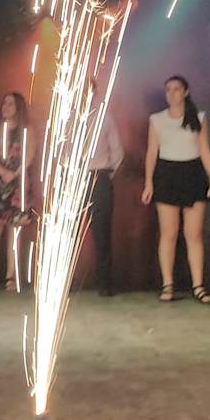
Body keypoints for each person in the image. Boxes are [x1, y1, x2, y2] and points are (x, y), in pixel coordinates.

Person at [142, 75, 210, 304]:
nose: (172, 93)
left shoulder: (199, 117)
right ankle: (168, 285)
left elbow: (204, 150)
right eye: (168, 89)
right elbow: (152, 152)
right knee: (168, 233)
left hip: (193, 175)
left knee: (194, 234)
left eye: (176, 89)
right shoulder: (157, 119)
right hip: (167, 175)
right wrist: (149, 182)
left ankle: (198, 286)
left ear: (186, 92)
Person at [0, 92, 37, 291]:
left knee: (14, 228)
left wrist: (14, 174)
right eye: (4, 103)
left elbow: (30, 154)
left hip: (18, 182)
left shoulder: (26, 129)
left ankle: (11, 276)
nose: (5, 106)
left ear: (18, 107)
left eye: (10, 103)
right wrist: (3, 172)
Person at [87, 99, 125, 296]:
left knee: (102, 232)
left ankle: (104, 283)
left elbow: (117, 151)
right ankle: (61, 283)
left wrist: (106, 174)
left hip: (98, 175)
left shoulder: (104, 118)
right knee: (66, 233)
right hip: (70, 177)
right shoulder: (65, 117)